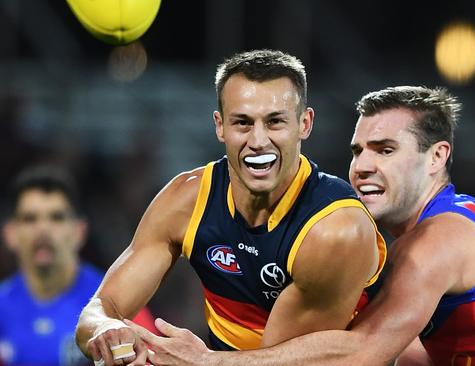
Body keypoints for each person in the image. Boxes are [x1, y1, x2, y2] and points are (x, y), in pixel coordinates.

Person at [128, 85, 475, 365]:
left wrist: (214, 362)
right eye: (358, 151)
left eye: (385, 150)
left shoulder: (437, 242)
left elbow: (365, 354)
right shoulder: (450, 229)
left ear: (438, 157)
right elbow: (409, 352)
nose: (361, 167)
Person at [75, 49, 386, 366]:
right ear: (220, 126)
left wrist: (202, 362)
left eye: (275, 122)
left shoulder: (334, 230)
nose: (259, 141)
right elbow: (102, 306)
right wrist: (107, 328)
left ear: (304, 124)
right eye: (242, 123)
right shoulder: (186, 200)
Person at [0, 166, 157, 366]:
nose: (43, 229)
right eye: (30, 219)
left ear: (79, 232)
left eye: (57, 217)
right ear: (10, 234)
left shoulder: (114, 302)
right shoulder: (2, 307)